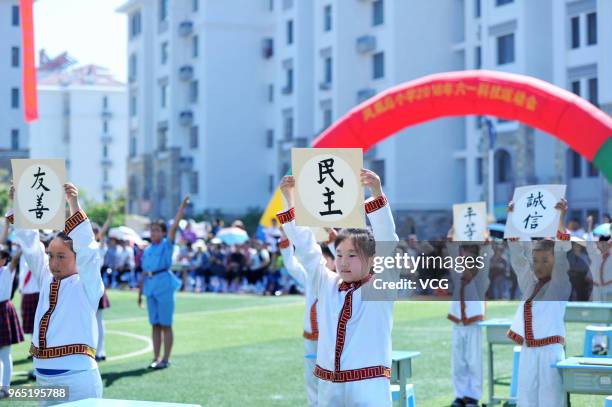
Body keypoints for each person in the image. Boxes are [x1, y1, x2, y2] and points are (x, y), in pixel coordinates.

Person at [278, 169, 398, 406]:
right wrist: (289, 197)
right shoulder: (326, 283)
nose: (343, 261)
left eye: (352, 255)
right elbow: (306, 248)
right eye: (340, 254)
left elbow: (388, 243)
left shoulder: (380, 287)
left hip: (368, 385)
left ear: (373, 259)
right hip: (329, 386)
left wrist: (376, 192)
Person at [12, 183, 104, 403]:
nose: (53, 262)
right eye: (51, 255)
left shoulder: (87, 284)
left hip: (78, 380)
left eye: (61, 256)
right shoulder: (46, 277)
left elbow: (88, 249)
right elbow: (30, 243)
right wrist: (18, 203)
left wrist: (73, 202)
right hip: (42, 380)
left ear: (76, 257)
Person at [506, 199, 571, 407]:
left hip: (550, 352)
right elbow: (518, 257)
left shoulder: (560, 285)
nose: (539, 266)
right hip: (528, 351)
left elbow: (562, 254)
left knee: (550, 400)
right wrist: (513, 218)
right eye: (536, 261)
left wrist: (560, 218)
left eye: (545, 260)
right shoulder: (529, 283)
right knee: (526, 398)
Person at [279, 228, 336, 406]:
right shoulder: (310, 277)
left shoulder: (339, 281)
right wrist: (286, 239)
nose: (323, 264)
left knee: (331, 380)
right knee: (312, 380)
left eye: (327, 260)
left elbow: (343, 256)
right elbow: (291, 264)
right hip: (311, 336)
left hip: (332, 338)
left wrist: (333, 241)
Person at [138, 196, 189, 369]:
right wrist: (140, 294)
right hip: (150, 287)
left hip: (164, 286)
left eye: (157, 230)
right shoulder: (147, 250)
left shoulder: (167, 245)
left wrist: (181, 208)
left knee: (166, 324)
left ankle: (165, 359)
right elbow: (144, 272)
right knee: (155, 324)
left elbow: (174, 226)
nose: (154, 233)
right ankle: (155, 357)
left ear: (163, 233)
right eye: (152, 230)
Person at [446, 229, 492, 407]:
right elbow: (451, 256)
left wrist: (486, 241)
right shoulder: (458, 278)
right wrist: (452, 237)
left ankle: (473, 396)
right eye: (463, 262)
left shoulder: (480, 280)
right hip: (458, 324)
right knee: (458, 362)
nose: (465, 265)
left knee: (474, 361)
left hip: (474, 324)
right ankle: (460, 395)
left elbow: (486, 259)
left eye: (470, 262)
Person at [0, 246, 24, 399]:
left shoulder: (8, 270)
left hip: (3, 310)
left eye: (2, 256)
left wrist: (23, 242)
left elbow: (15, 259)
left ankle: (6, 387)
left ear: (5, 259)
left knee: (5, 353)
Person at [92, 210, 113, 362]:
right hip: (86, 286)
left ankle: (100, 351)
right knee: (89, 320)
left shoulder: (99, 247)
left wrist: (108, 220)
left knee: (98, 321)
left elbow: (101, 235)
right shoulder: (84, 248)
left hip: (95, 285)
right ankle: (92, 350)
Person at [585, 215, 611, 301]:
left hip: (609, 289)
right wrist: (589, 225)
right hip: (596, 290)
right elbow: (589, 243)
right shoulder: (596, 255)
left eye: (605, 243)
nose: (603, 245)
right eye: (601, 243)